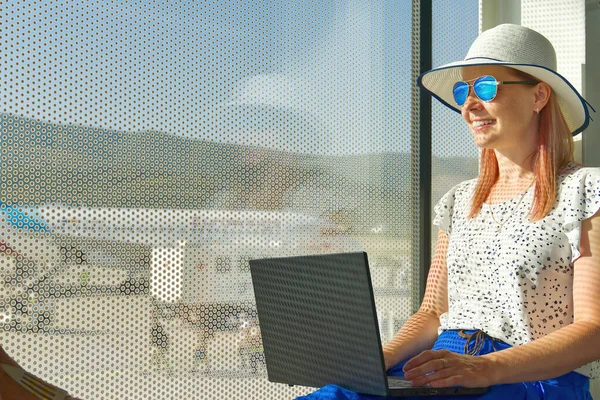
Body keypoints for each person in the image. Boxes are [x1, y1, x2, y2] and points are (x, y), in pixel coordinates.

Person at [298, 24, 599, 400]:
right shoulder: (460, 200)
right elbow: (431, 313)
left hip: (527, 378)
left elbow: (594, 329)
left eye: (487, 87)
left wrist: (485, 368)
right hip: (444, 367)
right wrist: (376, 362)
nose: (469, 104)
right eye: (463, 91)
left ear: (538, 95)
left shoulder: (585, 189)